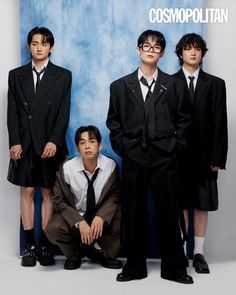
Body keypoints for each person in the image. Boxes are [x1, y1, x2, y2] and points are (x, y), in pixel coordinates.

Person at [106, 29, 193, 284]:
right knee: (133, 213)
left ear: (162, 53)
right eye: (146, 46)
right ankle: (134, 267)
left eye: (156, 47)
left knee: (169, 211)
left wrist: (174, 148)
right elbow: (114, 124)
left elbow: (185, 121)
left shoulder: (175, 84)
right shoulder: (120, 86)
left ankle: (174, 269)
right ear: (138, 50)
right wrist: (125, 149)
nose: (151, 50)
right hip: (134, 157)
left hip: (165, 157)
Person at [7, 27, 71, 267]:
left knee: (47, 192)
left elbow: (64, 111)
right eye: (34, 43)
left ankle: (45, 244)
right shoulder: (16, 75)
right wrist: (14, 140)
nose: (39, 47)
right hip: (24, 142)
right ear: (29, 47)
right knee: (27, 191)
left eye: (44, 43)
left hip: (48, 143)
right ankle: (29, 247)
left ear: (51, 47)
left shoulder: (63, 76)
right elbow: (12, 111)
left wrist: (54, 140)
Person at [173, 33, 228, 273]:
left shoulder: (215, 84)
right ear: (180, 53)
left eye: (197, 48)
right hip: (177, 157)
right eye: (188, 48)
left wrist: (218, 158)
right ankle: (182, 252)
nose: (193, 52)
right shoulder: (169, 82)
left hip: (206, 157)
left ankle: (198, 254)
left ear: (202, 53)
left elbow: (220, 123)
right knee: (181, 204)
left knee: (202, 205)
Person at [45, 125, 122, 270]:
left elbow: (115, 196)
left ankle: (102, 251)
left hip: (100, 221)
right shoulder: (67, 168)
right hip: (77, 216)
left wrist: (101, 216)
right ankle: (74, 255)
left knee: (124, 215)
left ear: (100, 146)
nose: (87, 146)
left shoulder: (110, 166)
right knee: (53, 228)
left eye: (92, 141)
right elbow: (58, 200)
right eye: (82, 142)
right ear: (77, 148)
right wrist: (79, 221)